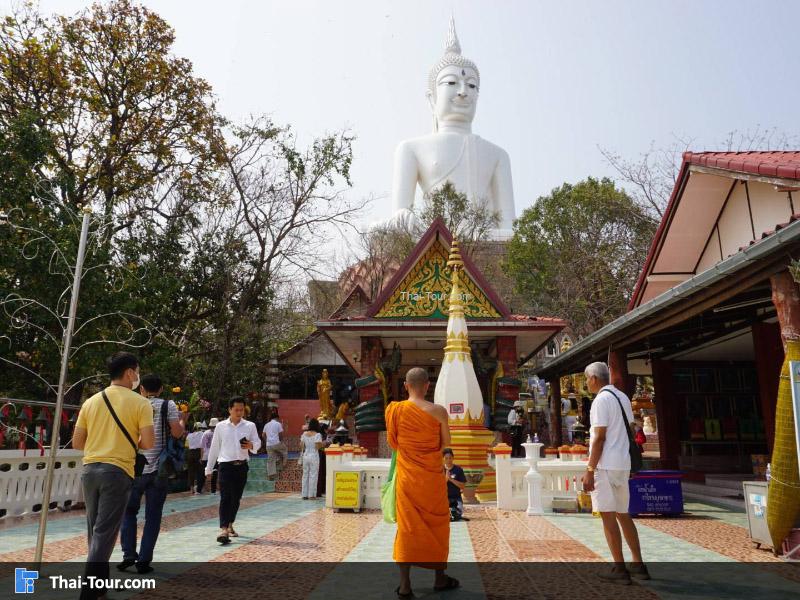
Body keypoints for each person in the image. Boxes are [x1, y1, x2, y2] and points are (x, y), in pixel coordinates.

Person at [72, 352, 154, 600]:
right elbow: (148, 443)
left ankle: (99, 588)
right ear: (130, 372)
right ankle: (88, 593)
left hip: (89, 471)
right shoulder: (141, 403)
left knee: (95, 533)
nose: (137, 376)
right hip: (117, 472)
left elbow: (77, 442)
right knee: (104, 533)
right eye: (136, 371)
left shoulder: (91, 401)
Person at [386, 367, 458, 598]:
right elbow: (446, 443)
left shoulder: (395, 410)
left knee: (407, 528)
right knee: (438, 525)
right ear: (428, 386)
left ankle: (405, 585)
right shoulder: (438, 412)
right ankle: (439, 578)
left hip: (407, 479)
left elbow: (393, 443)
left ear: (406, 386)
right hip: (431, 480)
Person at [580, 362, 650, 584]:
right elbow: (630, 431)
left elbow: (599, 438)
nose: (586, 384)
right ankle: (638, 563)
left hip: (606, 465)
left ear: (593, 379)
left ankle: (619, 568)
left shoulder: (601, 400)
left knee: (608, 515)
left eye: (586, 379)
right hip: (622, 463)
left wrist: (590, 469)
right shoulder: (622, 397)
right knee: (623, 513)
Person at [118, 374, 184, 574]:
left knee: (128, 512)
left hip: (134, 467)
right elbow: (176, 433)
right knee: (153, 516)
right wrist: (182, 422)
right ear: (162, 389)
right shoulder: (169, 406)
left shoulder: (132, 403)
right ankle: (144, 561)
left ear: (142, 389)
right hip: (159, 469)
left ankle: (128, 554)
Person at [205, 398, 262, 544]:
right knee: (225, 497)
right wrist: (209, 469)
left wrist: (251, 446)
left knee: (236, 498)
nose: (239, 412)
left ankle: (230, 524)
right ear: (229, 409)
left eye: (241, 410)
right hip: (225, 465)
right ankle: (223, 529)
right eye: (236, 409)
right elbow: (214, 448)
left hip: (241, 466)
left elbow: (257, 444)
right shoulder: (220, 426)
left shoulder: (250, 426)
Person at [300, 418, 323, 499]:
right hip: (314, 455)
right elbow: (318, 447)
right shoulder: (317, 435)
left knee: (305, 474)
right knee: (313, 475)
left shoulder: (304, 434)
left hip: (306, 455)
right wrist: (322, 444)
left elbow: (301, 446)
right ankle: (311, 495)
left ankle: (304, 494)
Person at [443, 448, 468, 522]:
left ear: (453, 458)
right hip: (444, 498)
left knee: (458, 513)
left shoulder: (458, 469)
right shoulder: (439, 469)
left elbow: (462, 486)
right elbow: (436, 487)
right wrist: (446, 480)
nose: (448, 460)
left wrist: (451, 479)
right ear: (443, 459)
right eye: (446, 458)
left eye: (450, 458)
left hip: (456, 498)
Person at [263, 409, 287, 480]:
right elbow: (280, 434)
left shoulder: (266, 425)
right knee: (284, 450)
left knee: (270, 459)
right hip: (276, 443)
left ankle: (271, 475)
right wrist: (280, 441)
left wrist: (266, 441)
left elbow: (263, 435)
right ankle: (284, 463)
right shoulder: (278, 424)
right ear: (277, 418)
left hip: (268, 445)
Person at [186, 422, 206, 494]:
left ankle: (191, 488)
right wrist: (201, 457)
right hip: (198, 453)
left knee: (191, 471)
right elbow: (202, 447)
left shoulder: (189, 435)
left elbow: (187, 446)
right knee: (200, 471)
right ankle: (199, 488)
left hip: (190, 453)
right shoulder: (202, 434)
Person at [201, 418, 219, 494]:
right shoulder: (219, 433)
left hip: (206, 455)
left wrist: (201, 457)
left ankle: (202, 489)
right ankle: (213, 490)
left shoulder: (205, 433)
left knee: (206, 473)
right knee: (215, 473)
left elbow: (202, 446)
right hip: (216, 455)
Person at [317, 422, 329, 497]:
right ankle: (321, 490)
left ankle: (321, 489)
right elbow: (320, 446)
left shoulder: (320, 434)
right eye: (327, 429)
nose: (327, 431)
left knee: (321, 472)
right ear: (324, 429)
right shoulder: (321, 435)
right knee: (321, 472)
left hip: (321, 454)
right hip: (321, 454)